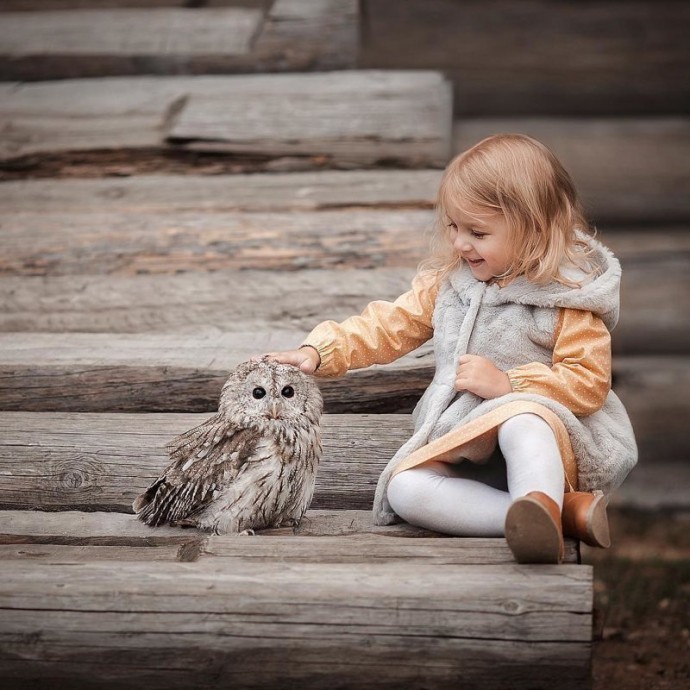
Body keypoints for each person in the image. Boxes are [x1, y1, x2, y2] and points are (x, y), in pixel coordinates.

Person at [266, 133, 637, 564]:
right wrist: (321, 351)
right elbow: (390, 324)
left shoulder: (567, 301)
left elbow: (588, 383)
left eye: (477, 232)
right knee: (404, 489)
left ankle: (540, 499)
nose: (460, 244)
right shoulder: (451, 286)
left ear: (534, 230)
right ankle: (546, 517)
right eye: (454, 227)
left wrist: (509, 384)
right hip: (464, 442)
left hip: (548, 446)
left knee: (523, 422)